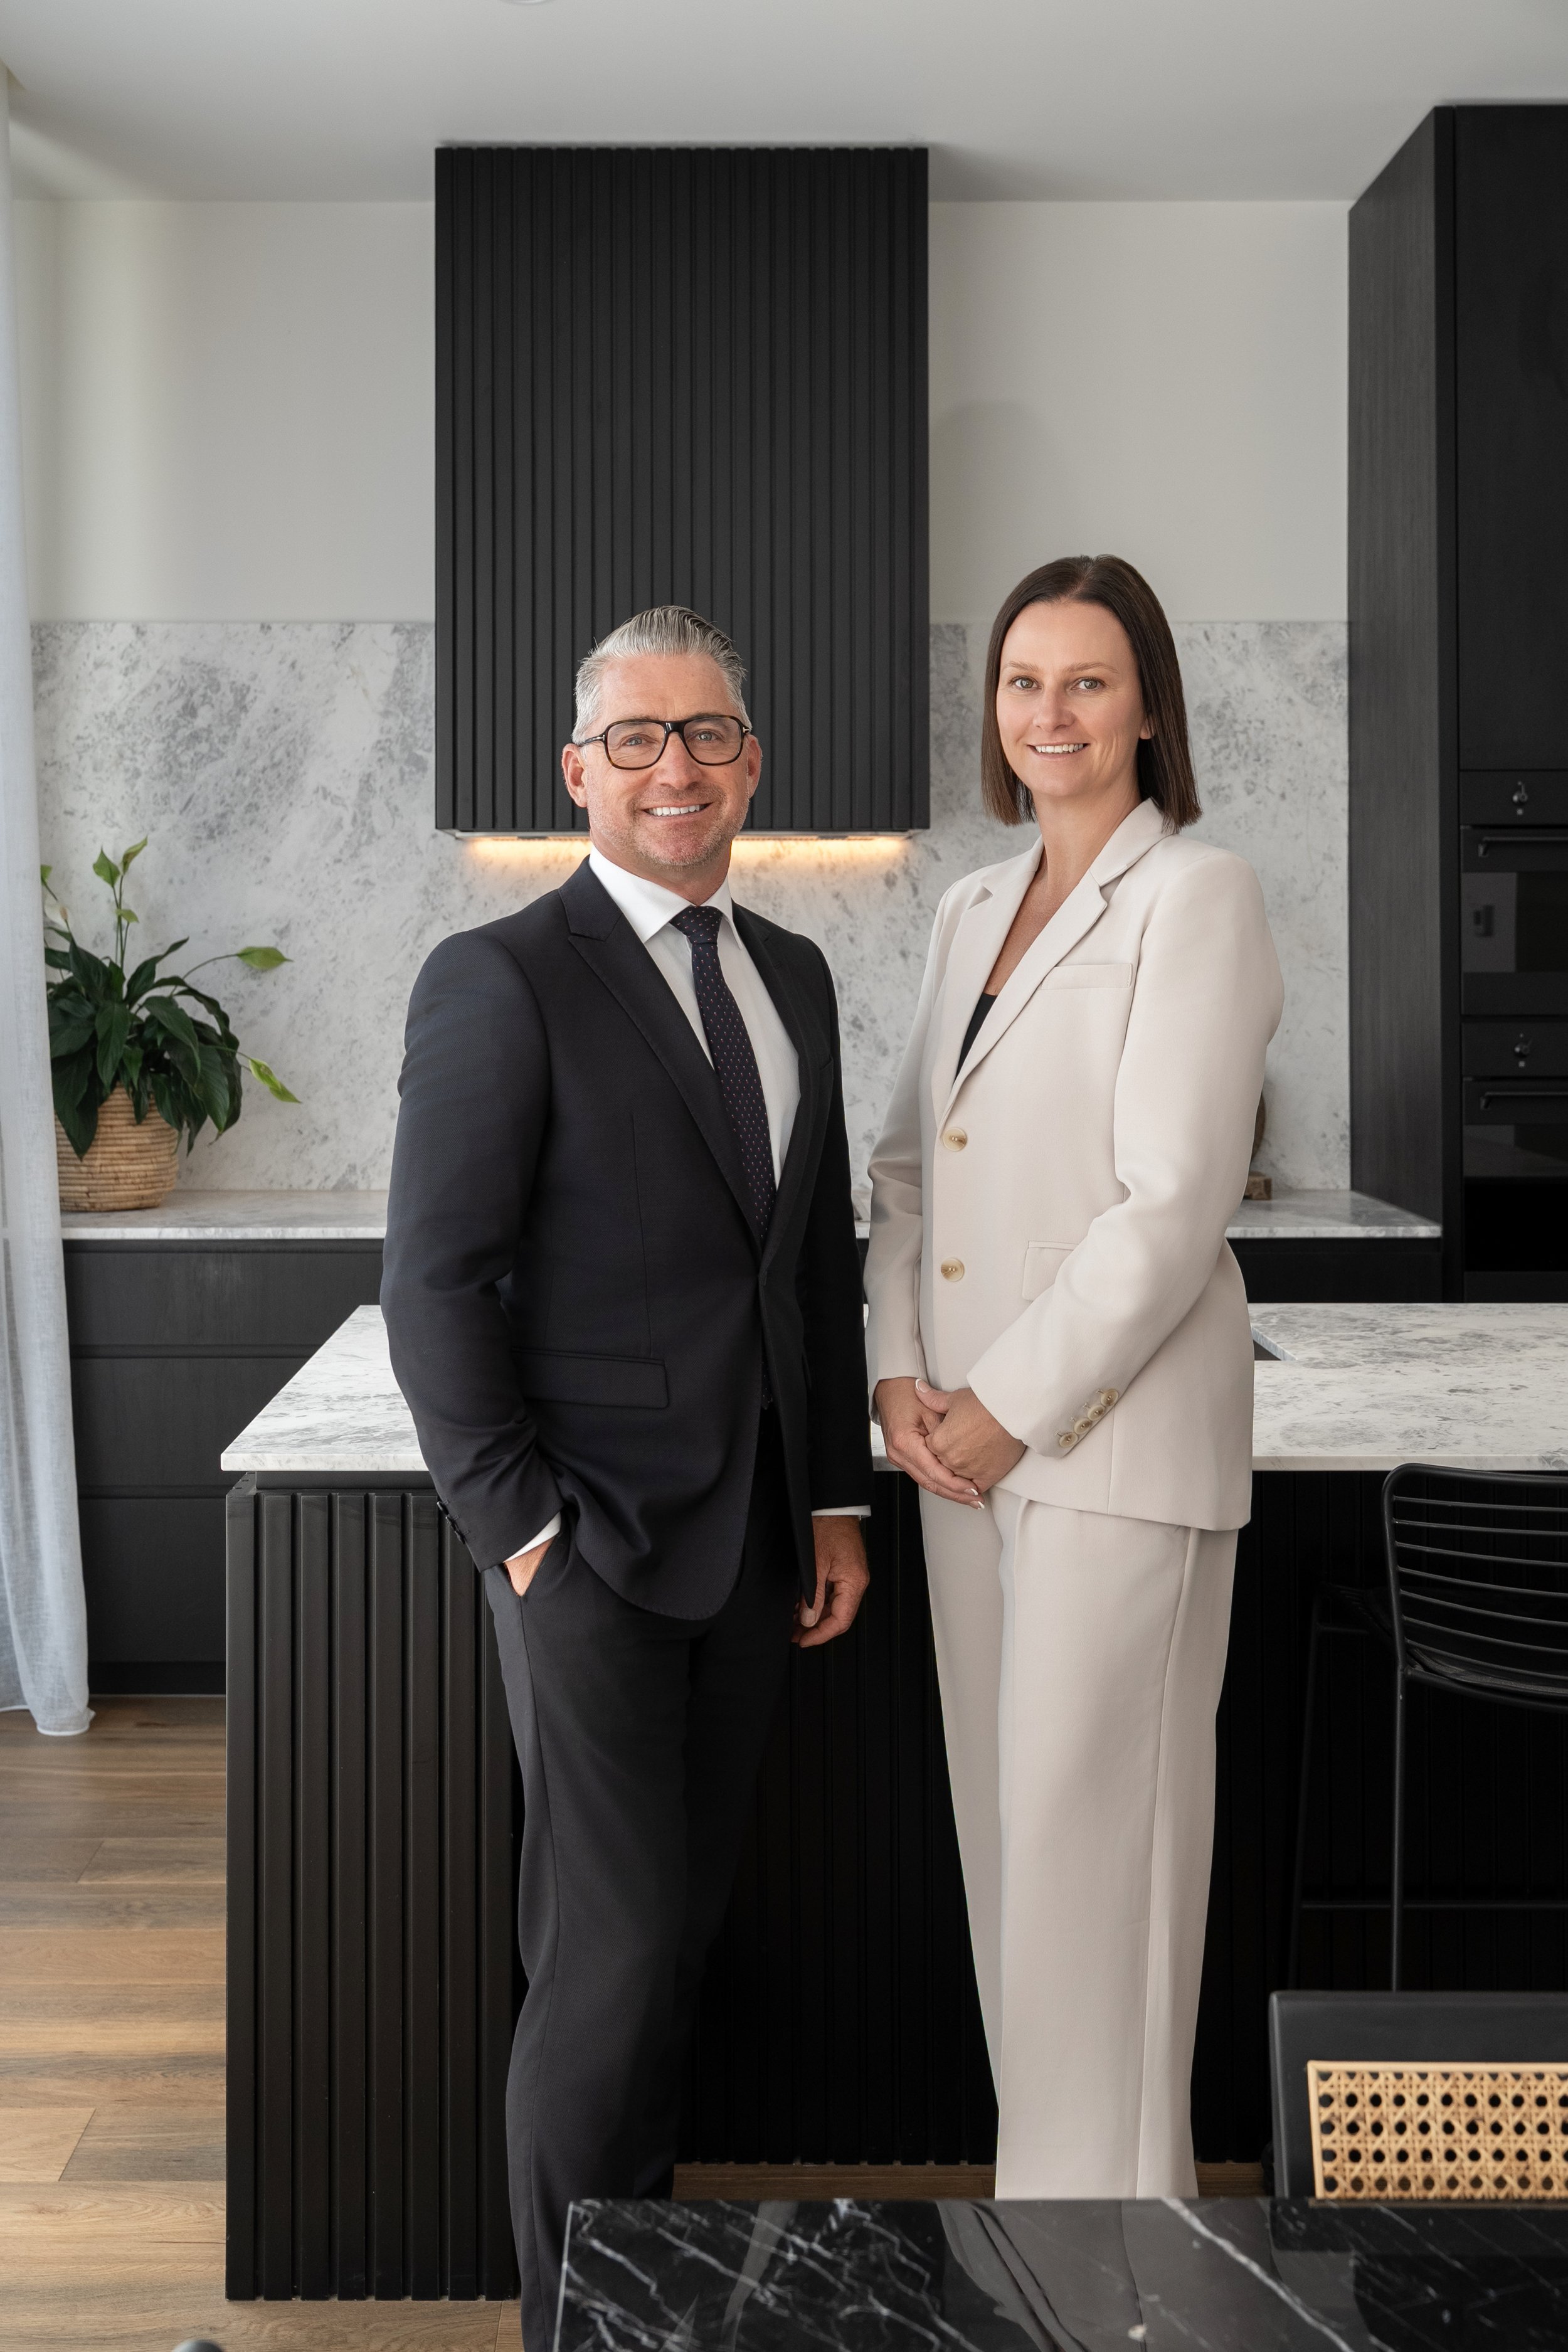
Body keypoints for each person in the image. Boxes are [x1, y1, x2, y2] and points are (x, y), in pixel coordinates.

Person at [381, 605, 872, 2345]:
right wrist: (517, 1530)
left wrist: (827, 1499)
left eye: (712, 734)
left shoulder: (793, 974)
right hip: (586, 1545)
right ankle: (564, 2327)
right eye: (643, 739)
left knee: (669, 1948)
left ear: (753, 760)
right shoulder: (502, 976)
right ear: (580, 771)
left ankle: (640, 2291)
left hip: (752, 1544)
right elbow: (430, 1281)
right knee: (613, 1954)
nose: (682, 768)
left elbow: (811, 1264)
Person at [865, 554, 1282, 2200]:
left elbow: (1171, 1201)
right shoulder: (971, 906)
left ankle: (1120, 2268)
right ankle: (1051, 2250)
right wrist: (902, 1381)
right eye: (1023, 681)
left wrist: (1004, 1400)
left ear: (1150, 707)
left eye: (1088, 681)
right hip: (961, 1461)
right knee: (1016, 1874)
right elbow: (905, 1172)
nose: (1051, 713)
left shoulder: (1199, 892)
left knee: (1096, 1879)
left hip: (1106, 1453)